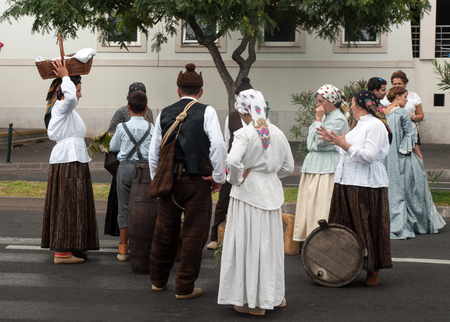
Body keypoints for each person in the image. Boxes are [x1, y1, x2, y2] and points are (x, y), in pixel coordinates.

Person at [148, 63, 227, 299]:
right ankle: (184, 287)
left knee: (164, 232)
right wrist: (218, 177)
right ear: (200, 91)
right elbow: (219, 146)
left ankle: (158, 281)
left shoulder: (164, 112)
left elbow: (154, 153)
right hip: (197, 181)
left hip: (169, 182)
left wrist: (158, 180)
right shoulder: (207, 111)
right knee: (194, 234)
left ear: (178, 90)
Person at [218, 89, 295, 315]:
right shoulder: (278, 133)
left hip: (247, 194)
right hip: (270, 194)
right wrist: (269, 176)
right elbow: (288, 167)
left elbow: (232, 160)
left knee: (245, 244)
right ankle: (270, 296)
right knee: (268, 246)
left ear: (244, 111)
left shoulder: (245, 133)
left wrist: (236, 178)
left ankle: (246, 299)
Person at [317, 90, 392, 286]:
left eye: (351, 103)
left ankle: (372, 270)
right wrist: (335, 141)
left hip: (365, 184)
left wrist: (344, 144)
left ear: (360, 105)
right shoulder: (359, 125)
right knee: (344, 226)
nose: (349, 106)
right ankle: (344, 266)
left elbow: (369, 155)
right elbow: (347, 149)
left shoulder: (375, 126)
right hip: (346, 182)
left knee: (365, 226)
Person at [41, 60, 99, 264]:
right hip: (68, 161)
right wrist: (65, 75)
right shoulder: (63, 105)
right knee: (68, 204)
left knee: (74, 203)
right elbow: (71, 97)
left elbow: (72, 97)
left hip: (71, 159)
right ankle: (62, 253)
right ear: (65, 91)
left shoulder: (66, 110)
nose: (80, 94)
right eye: (78, 89)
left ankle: (75, 245)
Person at [382, 87, 446, 239]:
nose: (407, 100)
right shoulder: (403, 113)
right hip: (404, 157)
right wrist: (420, 156)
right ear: (397, 97)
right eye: (405, 97)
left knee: (393, 190)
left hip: (386, 158)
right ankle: (415, 222)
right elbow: (411, 137)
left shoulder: (382, 114)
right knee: (412, 190)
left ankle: (395, 221)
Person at [293, 85, 349, 242]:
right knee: (311, 202)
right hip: (315, 163)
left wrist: (318, 120)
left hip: (327, 166)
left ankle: (324, 239)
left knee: (323, 203)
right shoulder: (326, 117)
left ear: (331, 101)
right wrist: (320, 120)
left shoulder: (338, 119)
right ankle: (311, 236)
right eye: (317, 101)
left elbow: (320, 142)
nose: (318, 105)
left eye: (321, 101)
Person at [206, 77, 251, 250]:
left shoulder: (259, 120)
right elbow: (225, 142)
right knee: (223, 201)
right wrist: (224, 166)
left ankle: (243, 239)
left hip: (249, 166)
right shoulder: (231, 117)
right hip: (231, 164)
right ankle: (215, 237)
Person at [109, 91, 154, 261]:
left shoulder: (122, 127)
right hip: (145, 169)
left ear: (128, 108)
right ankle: (145, 243)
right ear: (146, 109)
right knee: (146, 206)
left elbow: (114, 147)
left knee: (124, 207)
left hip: (126, 168)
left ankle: (123, 248)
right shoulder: (152, 127)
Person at [381, 70, 424, 145]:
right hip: (392, 131)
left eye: (399, 83)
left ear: (405, 84)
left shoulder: (414, 96)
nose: (397, 85)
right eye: (395, 84)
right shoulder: (387, 98)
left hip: (410, 130)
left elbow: (420, 115)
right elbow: (382, 113)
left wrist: (413, 117)